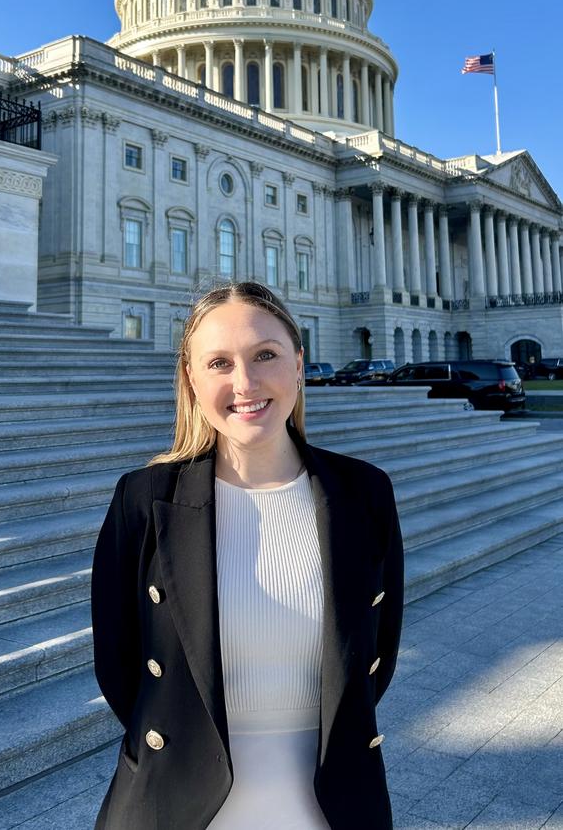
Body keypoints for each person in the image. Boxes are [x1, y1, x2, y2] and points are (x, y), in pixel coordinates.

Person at [91, 281, 404, 830]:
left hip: (330, 803)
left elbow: (377, 654)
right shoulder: (143, 500)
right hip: (176, 802)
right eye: (219, 363)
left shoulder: (364, 493)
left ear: (299, 364)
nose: (245, 383)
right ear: (191, 379)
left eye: (265, 355)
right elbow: (118, 665)